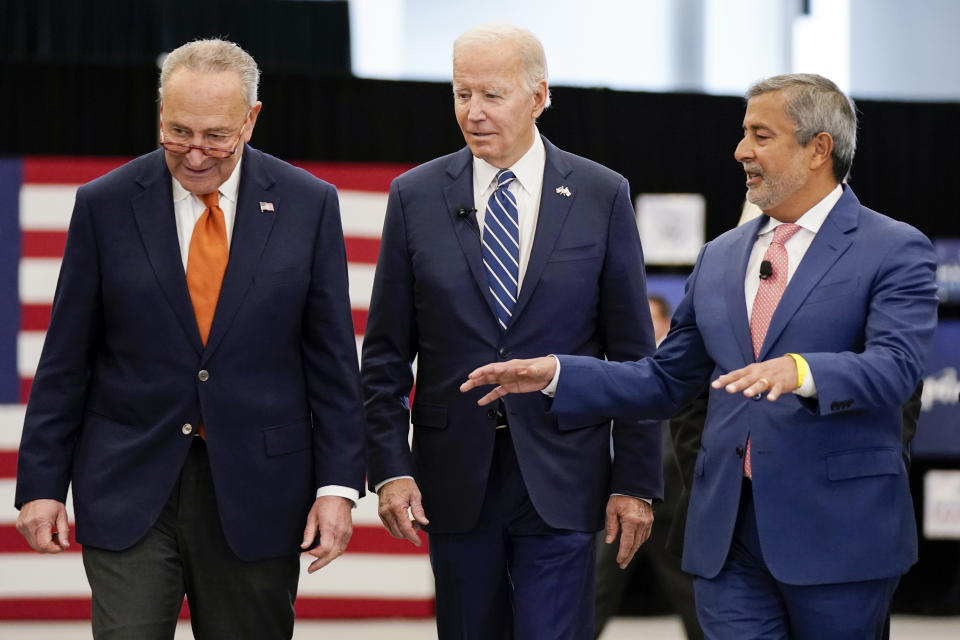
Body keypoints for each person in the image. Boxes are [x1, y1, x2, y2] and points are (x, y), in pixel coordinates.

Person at [462, 73, 939, 639]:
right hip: (726, 538)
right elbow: (666, 380)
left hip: (839, 534)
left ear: (818, 148)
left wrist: (802, 371)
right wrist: (558, 374)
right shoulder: (719, 256)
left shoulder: (893, 248)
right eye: (743, 134)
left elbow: (897, 366)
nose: (741, 151)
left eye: (761, 136)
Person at [14, 39, 366, 640]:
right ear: (158, 114)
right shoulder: (105, 205)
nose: (195, 153)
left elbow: (332, 363)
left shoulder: (309, 205)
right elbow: (66, 358)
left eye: (215, 135)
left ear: (251, 120)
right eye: (177, 132)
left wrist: (337, 489)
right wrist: (41, 486)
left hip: (259, 491)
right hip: (128, 481)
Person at [361, 23, 662, 640]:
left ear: (539, 96)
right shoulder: (414, 196)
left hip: (564, 472)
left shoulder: (601, 195)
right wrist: (391, 468)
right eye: (461, 93)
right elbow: (387, 355)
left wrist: (635, 481)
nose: (472, 112)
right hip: (453, 476)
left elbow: (634, 358)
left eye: (492, 95)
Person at [593, 296, 702, 639]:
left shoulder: (679, 363)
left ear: (666, 323)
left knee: (691, 595)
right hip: (618, 498)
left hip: (669, 498)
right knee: (597, 589)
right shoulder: (612, 362)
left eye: (651, 317)